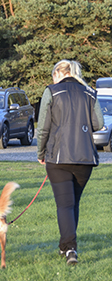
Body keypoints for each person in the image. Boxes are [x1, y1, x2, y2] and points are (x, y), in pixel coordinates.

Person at [37, 60, 103, 265]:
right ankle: (65, 246)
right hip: (85, 158)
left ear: (58, 73)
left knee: (65, 205)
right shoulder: (90, 93)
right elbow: (98, 124)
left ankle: (70, 249)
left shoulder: (52, 91)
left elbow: (43, 128)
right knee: (73, 203)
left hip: (58, 158)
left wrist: (41, 152)